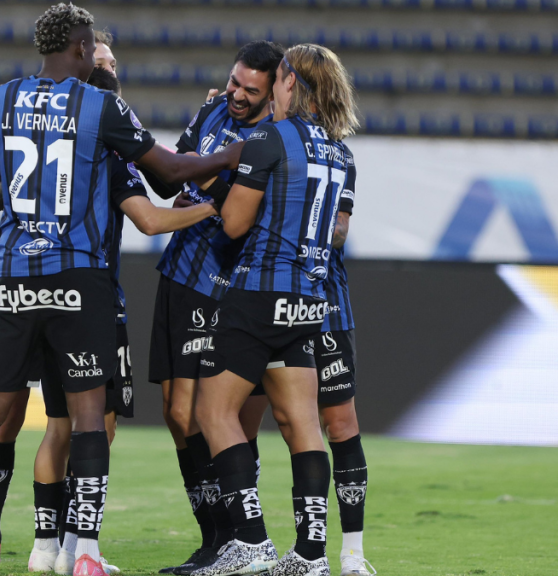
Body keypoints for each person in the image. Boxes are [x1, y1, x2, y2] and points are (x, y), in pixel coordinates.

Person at [0, 4, 244, 576]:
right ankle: (87, 555)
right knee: (89, 417)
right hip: (79, 277)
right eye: (93, 46)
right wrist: (235, 153)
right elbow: (170, 174)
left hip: (14, 275)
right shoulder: (101, 106)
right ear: (80, 49)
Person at [191, 43, 360, 576]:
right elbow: (335, 231)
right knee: (301, 422)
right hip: (309, 299)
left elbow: (234, 224)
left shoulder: (270, 138)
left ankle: (251, 541)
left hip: (260, 292)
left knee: (213, 412)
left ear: (289, 82)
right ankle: (311, 554)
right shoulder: (341, 153)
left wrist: (211, 185)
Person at [136, 40, 284, 576]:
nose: (237, 96)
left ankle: (236, 538)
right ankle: (215, 540)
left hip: (228, 283)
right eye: (234, 83)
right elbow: (173, 173)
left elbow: (241, 213)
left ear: (272, 93)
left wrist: (200, 179)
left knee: (219, 418)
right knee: (175, 414)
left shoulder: (274, 138)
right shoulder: (212, 109)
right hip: (180, 270)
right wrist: (190, 182)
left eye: (251, 90)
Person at [237, 205, 375, 576]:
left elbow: (340, 232)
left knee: (340, 423)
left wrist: (282, 230)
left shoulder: (336, 167)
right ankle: (249, 543)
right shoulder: (264, 163)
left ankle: (352, 554)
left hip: (325, 307)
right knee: (243, 420)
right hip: (262, 300)